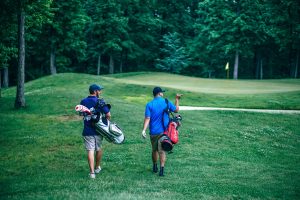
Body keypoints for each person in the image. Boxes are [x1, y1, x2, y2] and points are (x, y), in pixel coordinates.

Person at [142, 87, 181, 176]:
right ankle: (162, 170)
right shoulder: (166, 102)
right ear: (159, 93)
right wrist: (177, 99)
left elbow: (147, 118)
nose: (162, 94)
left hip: (153, 132)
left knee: (154, 150)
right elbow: (176, 110)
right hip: (164, 131)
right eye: (162, 92)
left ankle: (155, 166)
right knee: (162, 150)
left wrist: (144, 130)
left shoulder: (149, 104)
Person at [80, 84, 111, 179]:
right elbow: (108, 114)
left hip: (87, 130)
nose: (100, 92)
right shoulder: (100, 101)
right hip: (99, 130)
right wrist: (106, 123)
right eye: (99, 90)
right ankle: (97, 167)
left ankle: (92, 173)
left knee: (90, 150)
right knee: (98, 148)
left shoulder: (83, 101)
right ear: (95, 91)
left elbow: (81, 113)